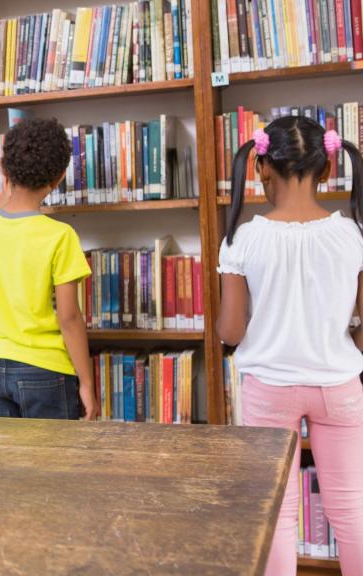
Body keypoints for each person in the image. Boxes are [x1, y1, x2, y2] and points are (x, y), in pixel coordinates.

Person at [216, 115, 363, 576]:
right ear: (328, 167)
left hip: (268, 389)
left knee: (275, 516)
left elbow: (232, 332)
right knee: (353, 511)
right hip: (339, 386)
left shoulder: (242, 238)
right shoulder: (354, 235)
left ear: (261, 167)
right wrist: (346, 346)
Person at [0, 117, 98, 420]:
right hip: (47, 371)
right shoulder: (60, 236)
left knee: (6, 464)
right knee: (55, 463)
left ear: (4, 169)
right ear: (59, 177)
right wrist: (87, 384)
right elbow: (69, 317)